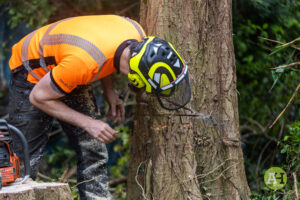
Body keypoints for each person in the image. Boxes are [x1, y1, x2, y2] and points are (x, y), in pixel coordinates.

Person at [8, 15, 190, 200]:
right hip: (32, 70)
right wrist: (89, 123)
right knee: (23, 159)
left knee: (93, 148)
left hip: (68, 66)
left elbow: (110, 55)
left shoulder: (136, 33)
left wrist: (109, 91)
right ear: (136, 76)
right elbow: (38, 97)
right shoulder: (83, 63)